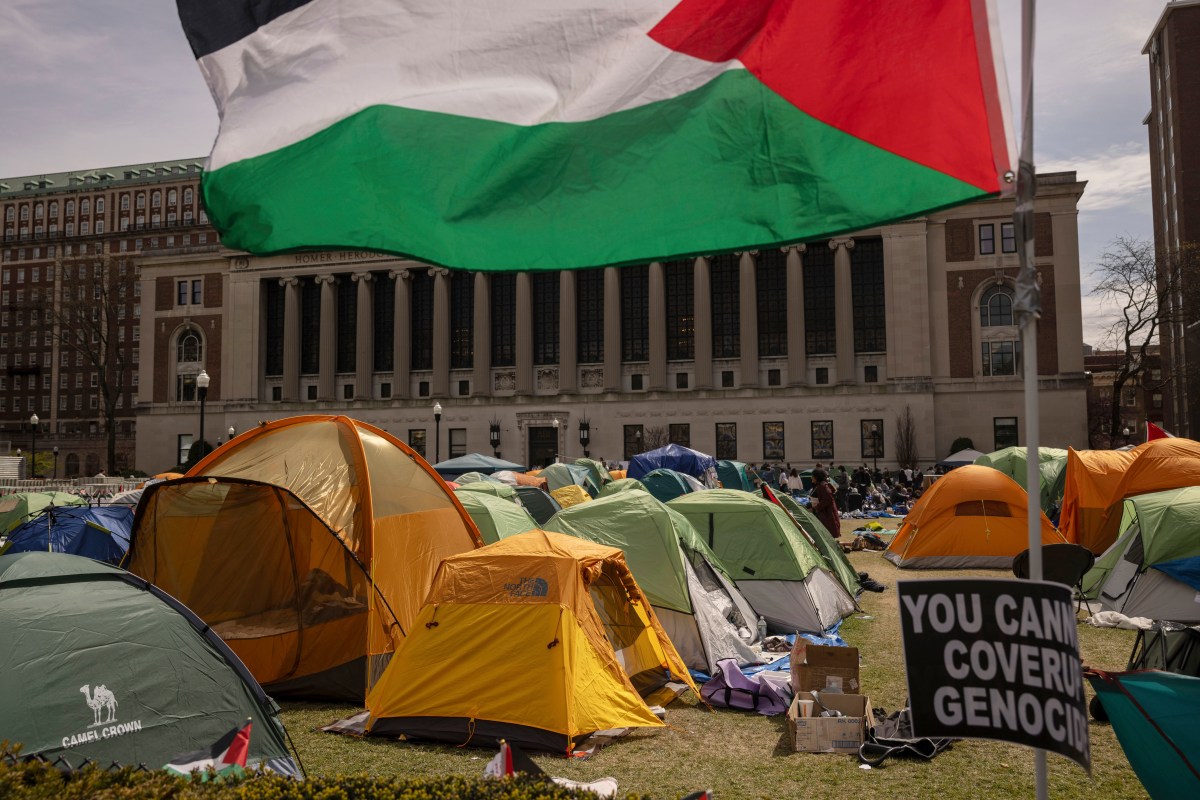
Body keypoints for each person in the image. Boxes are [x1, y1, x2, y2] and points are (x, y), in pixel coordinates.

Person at [810, 468, 841, 540]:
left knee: (828, 534)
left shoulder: (823, 486)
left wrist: (816, 508)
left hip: (828, 514)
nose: (811, 477)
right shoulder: (820, 485)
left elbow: (828, 499)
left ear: (817, 477)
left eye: (813, 476)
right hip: (825, 513)